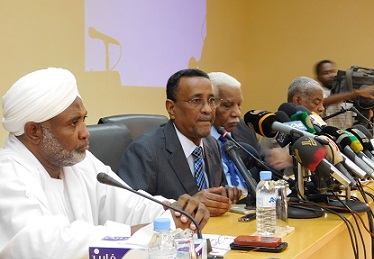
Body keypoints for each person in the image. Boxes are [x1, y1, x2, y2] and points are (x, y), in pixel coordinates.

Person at [0, 68, 209, 258]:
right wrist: (133, 232)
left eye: (84, 119)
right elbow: (47, 244)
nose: (85, 132)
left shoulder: (77, 160)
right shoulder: (8, 174)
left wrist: (173, 211)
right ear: (34, 132)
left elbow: (129, 203)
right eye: (74, 123)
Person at [117, 68, 242, 217]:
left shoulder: (211, 144)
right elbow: (131, 212)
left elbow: (212, 194)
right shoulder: (144, 151)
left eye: (211, 101)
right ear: (171, 108)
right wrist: (186, 206)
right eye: (196, 101)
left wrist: (222, 196)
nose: (208, 110)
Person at [259, 76, 325, 174]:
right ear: (297, 100)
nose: (322, 108)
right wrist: (292, 157)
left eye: (323, 103)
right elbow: (266, 160)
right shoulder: (274, 127)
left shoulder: (317, 126)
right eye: (316, 102)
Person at [208, 71, 261, 192]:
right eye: (227, 105)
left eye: (239, 105)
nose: (237, 113)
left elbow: (260, 172)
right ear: (210, 104)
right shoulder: (196, 138)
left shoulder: (245, 130)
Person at [315, 60, 374, 129]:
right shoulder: (318, 91)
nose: (331, 75)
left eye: (332, 71)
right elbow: (323, 102)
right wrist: (356, 93)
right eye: (326, 73)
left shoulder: (348, 91)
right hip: (330, 135)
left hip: (351, 135)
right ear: (318, 77)